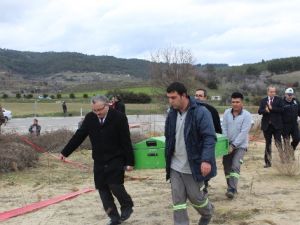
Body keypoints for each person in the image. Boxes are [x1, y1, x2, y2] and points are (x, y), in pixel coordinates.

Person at [60, 95, 134, 225]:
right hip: (99, 160)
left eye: (100, 110)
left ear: (108, 105)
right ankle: (114, 217)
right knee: (102, 189)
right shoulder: (90, 118)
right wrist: (65, 152)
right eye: (95, 110)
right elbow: (79, 136)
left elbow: (126, 141)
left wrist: (130, 162)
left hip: (115, 158)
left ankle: (127, 204)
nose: (97, 113)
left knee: (115, 185)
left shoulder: (119, 117)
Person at [165, 82, 216, 225]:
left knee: (196, 198)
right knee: (178, 201)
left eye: (173, 97)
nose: (170, 101)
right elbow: (169, 137)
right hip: (175, 165)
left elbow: (209, 137)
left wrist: (206, 160)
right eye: (168, 97)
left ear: (183, 95)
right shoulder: (171, 113)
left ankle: (208, 213)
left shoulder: (201, 112)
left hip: (193, 165)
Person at [222, 92, 252, 199]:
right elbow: (224, 128)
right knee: (226, 166)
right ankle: (230, 186)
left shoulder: (247, 115)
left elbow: (244, 133)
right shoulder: (226, 113)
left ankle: (232, 189)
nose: (235, 104)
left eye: (237, 102)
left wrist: (233, 145)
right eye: (233, 102)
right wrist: (226, 143)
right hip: (227, 144)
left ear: (242, 102)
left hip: (240, 146)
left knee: (235, 165)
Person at [194, 88, 222, 194]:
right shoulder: (190, 109)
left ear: (205, 98)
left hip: (207, 143)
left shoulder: (212, 110)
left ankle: (204, 184)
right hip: (195, 144)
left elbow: (218, 128)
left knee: (206, 164)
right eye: (196, 95)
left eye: (200, 95)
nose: (197, 97)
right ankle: (198, 186)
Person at [258, 86, 284, 168]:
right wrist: (265, 110)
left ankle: (283, 160)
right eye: (271, 91)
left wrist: (272, 108)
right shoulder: (263, 100)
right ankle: (268, 162)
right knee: (268, 144)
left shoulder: (279, 100)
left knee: (278, 143)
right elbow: (259, 111)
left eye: (274, 92)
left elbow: (282, 110)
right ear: (268, 92)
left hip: (277, 126)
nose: (273, 93)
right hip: (267, 126)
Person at [282, 88, 300, 160]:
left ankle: (291, 150)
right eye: (288, 94)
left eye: (291, 95)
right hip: (285, 125)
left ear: (293, 95)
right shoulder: (281, 102)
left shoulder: (296, 102)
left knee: (297, 138)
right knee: (286, 142)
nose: (290, 96)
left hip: (294, 124)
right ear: (285, 94)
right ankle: (287, 158)